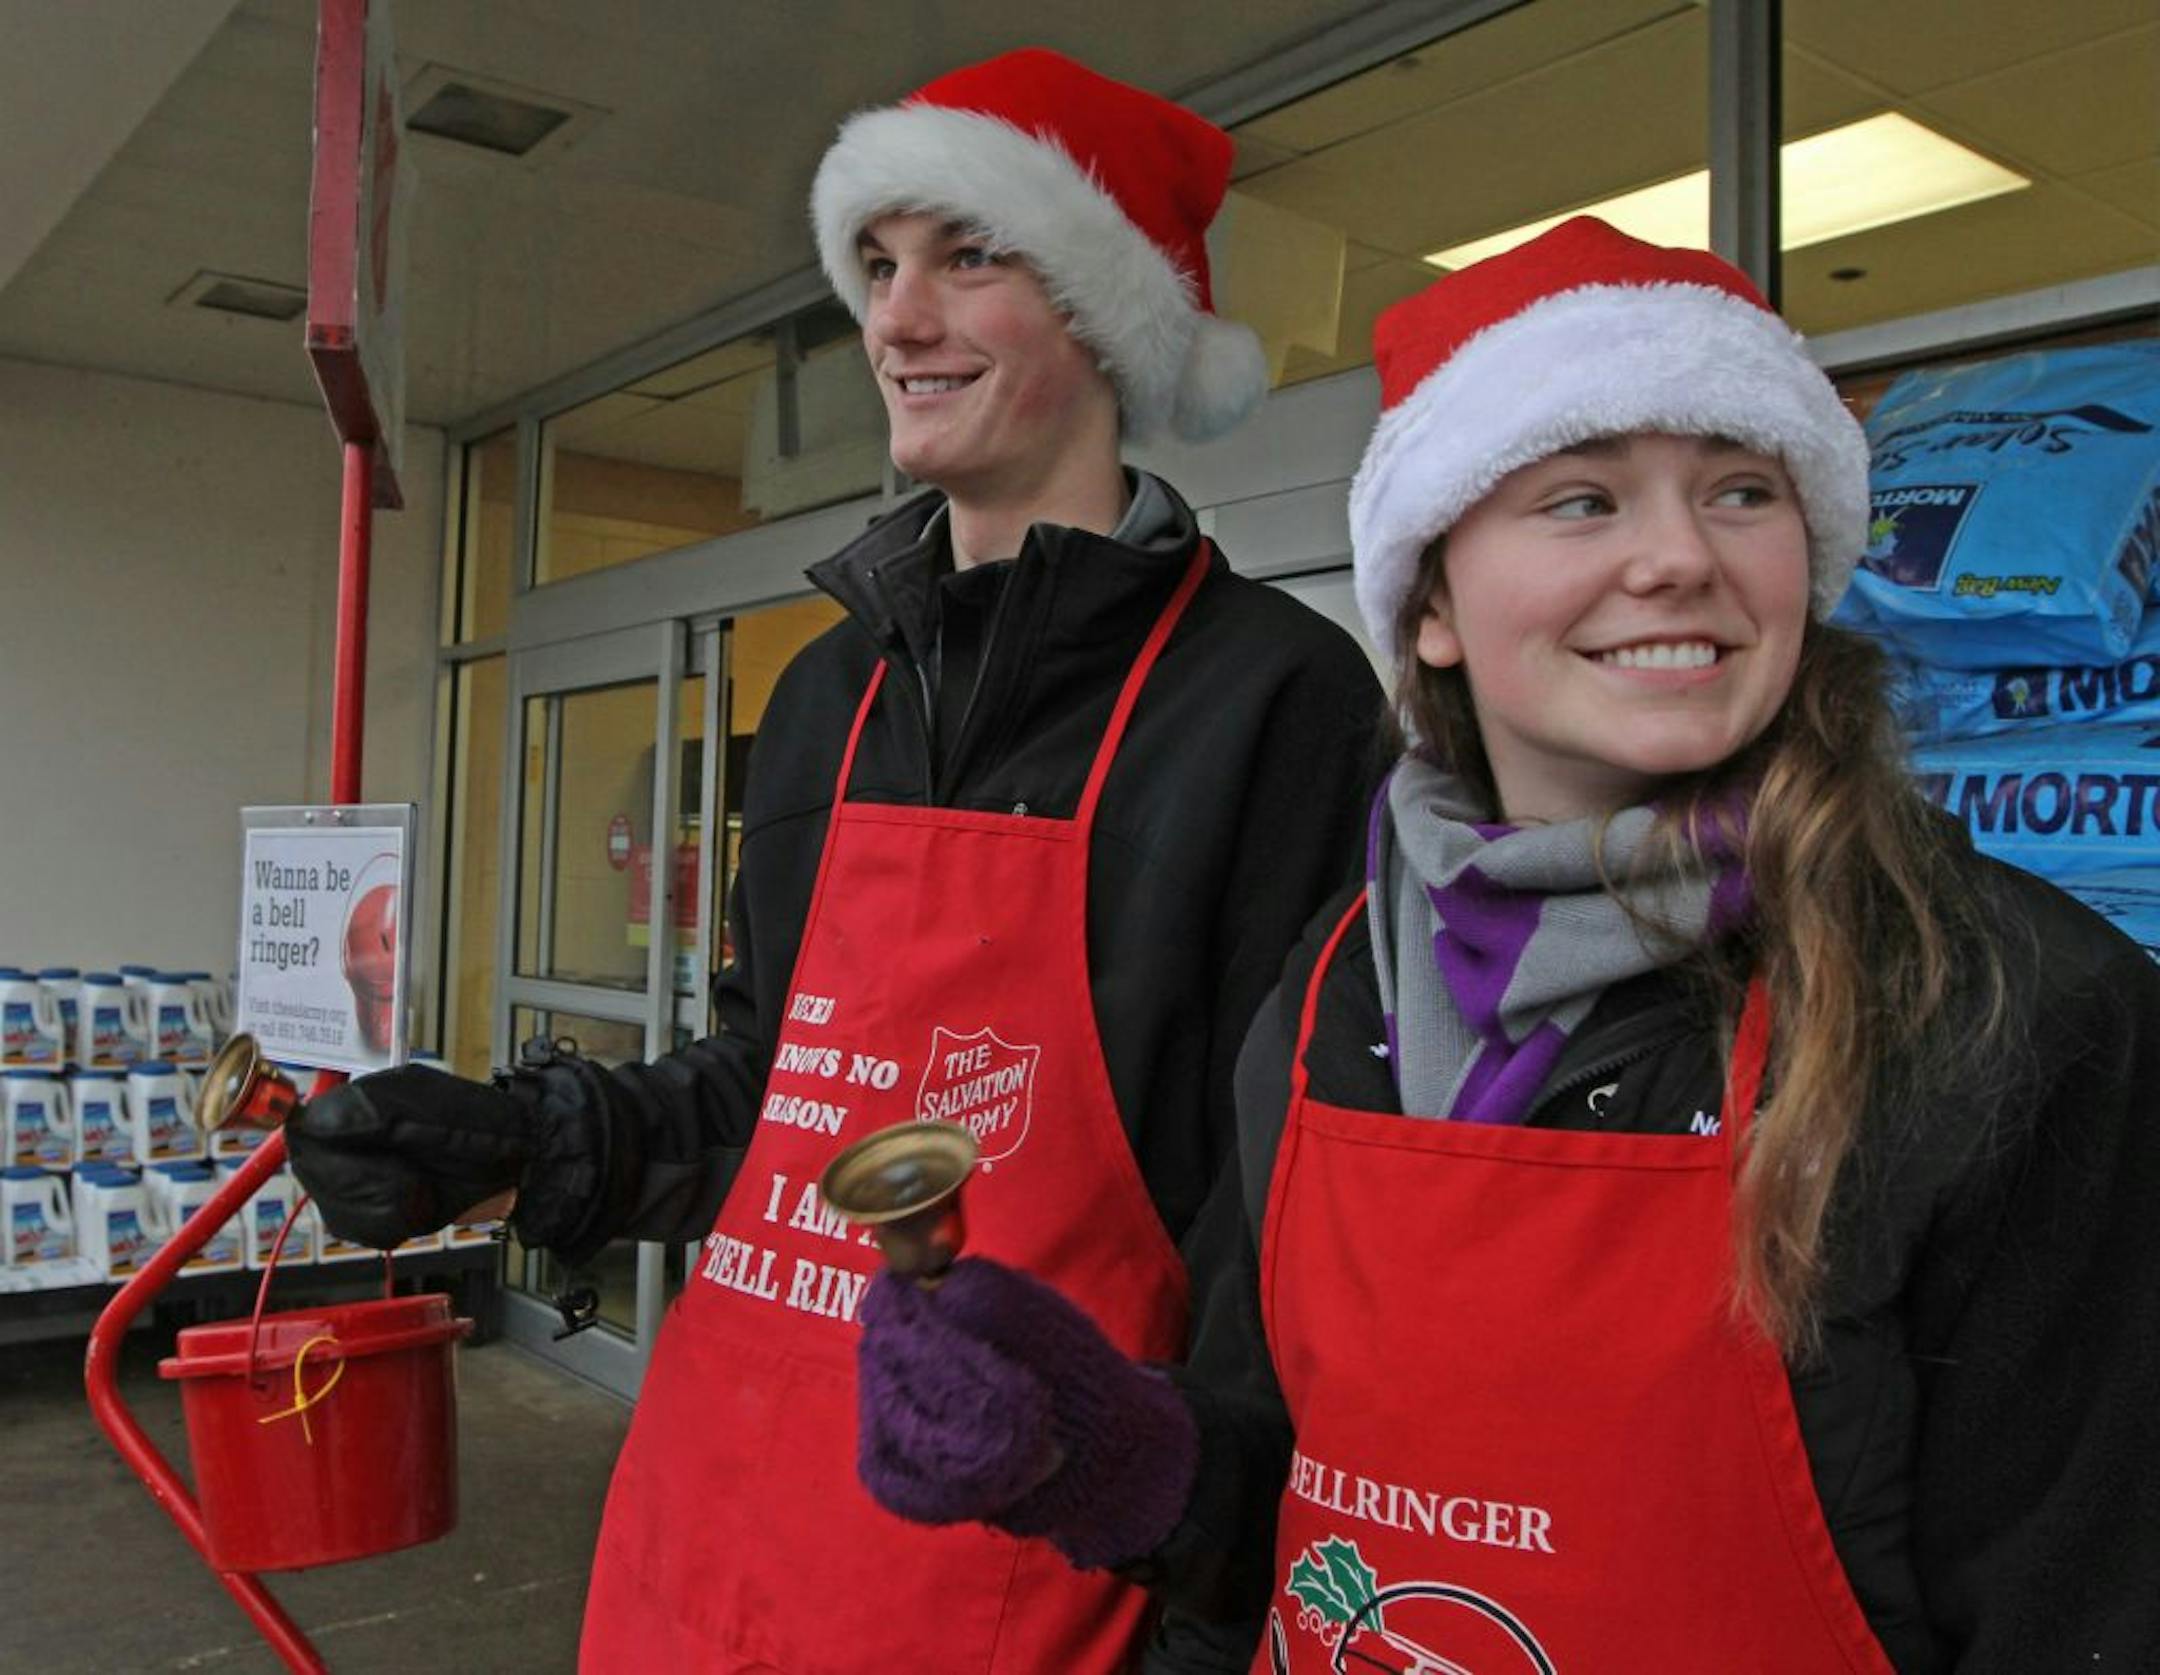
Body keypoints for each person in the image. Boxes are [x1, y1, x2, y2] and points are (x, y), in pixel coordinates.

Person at [850, 217, 2160, 1672]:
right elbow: (1298, 1506)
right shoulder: (1333, 989)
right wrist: (1096, 1450)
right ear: (1431, 612)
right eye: (1582, 500)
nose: (1680, 558)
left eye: (1740, 490)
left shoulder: (2011, 1015)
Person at [285, 47, 1382, 1675]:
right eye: (878, 267)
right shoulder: (829, 690)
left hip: (1035, 1569)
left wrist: (1207, 1614)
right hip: (716, 1514)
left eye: (969, 256)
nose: (896, 322)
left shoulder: (1272, 699)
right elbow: (777, 1092)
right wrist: (526, 1140)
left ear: (1101, 309)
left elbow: (1282, 1228)